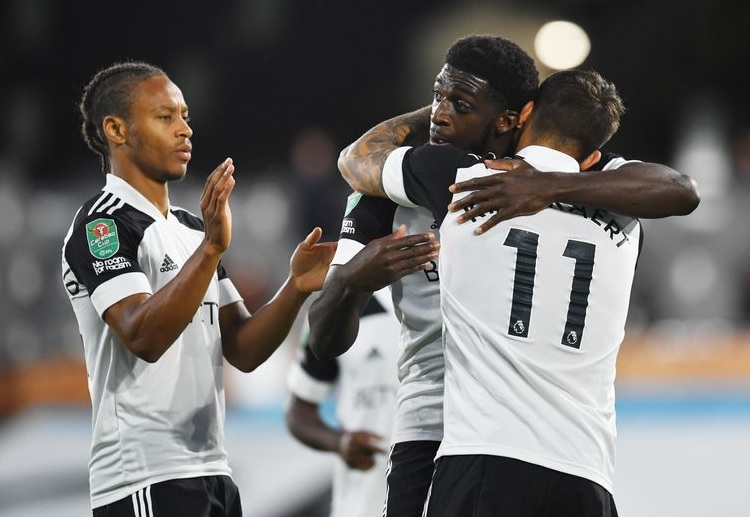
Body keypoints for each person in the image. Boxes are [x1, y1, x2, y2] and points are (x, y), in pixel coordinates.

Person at [314, 35, 700, 517]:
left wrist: (545, 185)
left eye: (461, 103)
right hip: (476, 437)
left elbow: (354, 159)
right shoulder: (619, 202)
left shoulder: (459, 178)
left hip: (479, 444)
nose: (440, 115)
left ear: (515, 116)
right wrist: (349, 281)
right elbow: (681, 190)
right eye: (437, 97)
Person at [60, 61, 338, 517]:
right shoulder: (102, 223)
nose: (185, 129)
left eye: (185, 116)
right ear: (116, 129)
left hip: (212, 470)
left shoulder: (191, 229)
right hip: (143, 478)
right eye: (165, 116)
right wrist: (210, 250)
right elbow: (142, 336)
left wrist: (296, 286)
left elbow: (242, 348)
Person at [285, 288, 400, 517]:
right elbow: (298, 410)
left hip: (446, 492)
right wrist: (339, 442)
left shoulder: (451, 295)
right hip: (364, 503)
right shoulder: (338, 304)